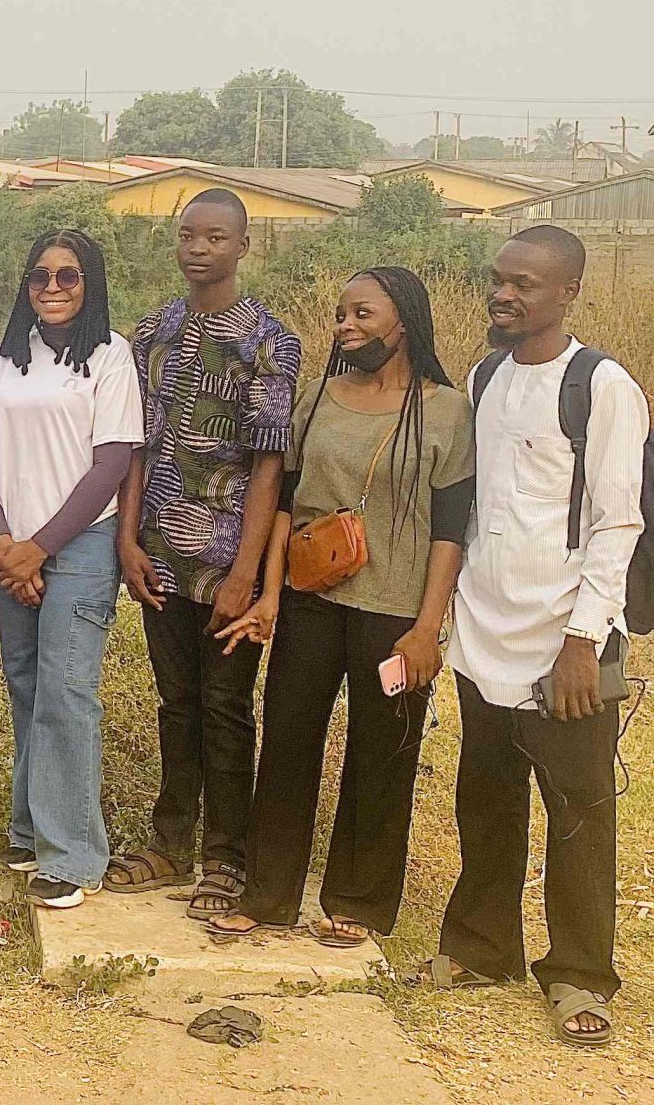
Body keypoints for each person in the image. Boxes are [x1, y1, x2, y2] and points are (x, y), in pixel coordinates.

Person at [207, 268, 473, 952]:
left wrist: (426, 628)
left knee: (383, 756)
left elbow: (451, 529)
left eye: (362, 314)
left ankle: (358, 901)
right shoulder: (319, 397)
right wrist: (270, 595)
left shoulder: (445, 409)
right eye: (339, 315)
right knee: (288, 743)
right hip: (311, 602)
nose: (345, 326)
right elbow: (288, 504)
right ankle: (268, 897)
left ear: (404, 322)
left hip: (395, 613)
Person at [429, 229, 648, 1044]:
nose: (504, 296)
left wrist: (584, 639)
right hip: (485, 628)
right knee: (484, 798)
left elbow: (616, 522)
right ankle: (484, 948)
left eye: (523, 285)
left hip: (567, 641)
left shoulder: (602, 386)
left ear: (568, 294)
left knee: (579, 811)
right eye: (498, 281)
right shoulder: (486, 376)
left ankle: (581, 975)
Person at [117, 190, 301, 917]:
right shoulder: (151, 331)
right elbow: (136, 444)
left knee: (226, 707)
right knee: (176, 702)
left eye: (216, 237)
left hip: (228, 559)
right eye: (188, 235)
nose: (199, 248)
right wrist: (128, 539)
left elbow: (269, 464)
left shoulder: (269, 341)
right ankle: (169, 842)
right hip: (159, 552)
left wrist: (246, 576)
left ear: (243, 247)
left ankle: (226, 855)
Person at [0, 230, 144, 910]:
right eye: (39, 274)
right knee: (26, 689)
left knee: (68, 695)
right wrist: (5, 543)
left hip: (77, 550)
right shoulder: (9, 356)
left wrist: (39, 548)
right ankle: (30, 830)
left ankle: (73, 855)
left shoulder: (110, 356)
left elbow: (111, 466)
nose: (51, 286)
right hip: (10, 548)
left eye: (67, 276)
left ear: (89, 283)